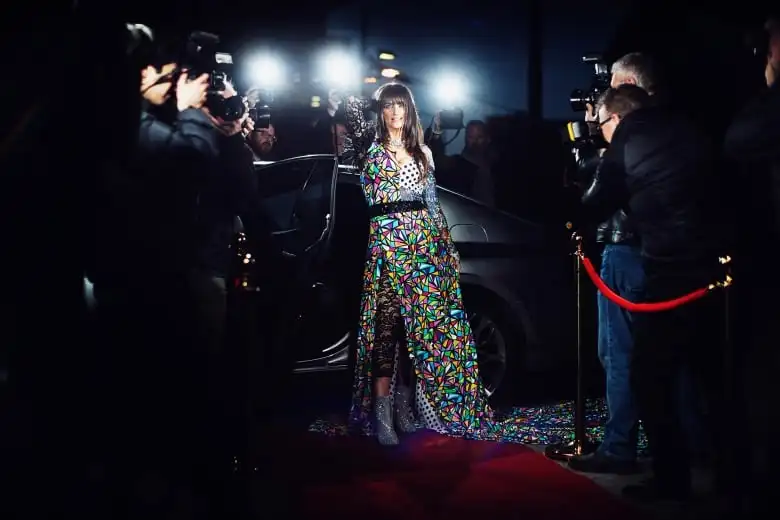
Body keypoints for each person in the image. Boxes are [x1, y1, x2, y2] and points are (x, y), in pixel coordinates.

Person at [342, 82, 522, 447]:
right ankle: (382, 415)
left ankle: (406, 407)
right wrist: (366, 95)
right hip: (387, 252)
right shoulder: (370, 152)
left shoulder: (422, 153)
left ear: (410, 111)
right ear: (381, 111)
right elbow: (350, 112)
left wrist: (447, 249)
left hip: (423, 253)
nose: (394, 113)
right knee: (386, 331)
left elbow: (433, 207)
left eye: (401, 106)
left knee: (417, 336)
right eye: (388, 106)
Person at [594, 84, 727, 502]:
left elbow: (599, 200)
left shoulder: (630, 137)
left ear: (618, 117)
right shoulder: (689, 130)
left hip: (666, 268)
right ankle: (729, 474)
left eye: (600, 123)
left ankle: (671, 479)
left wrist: (577, 203)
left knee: (647, 374)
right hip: (707, 266)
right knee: (708, 376)